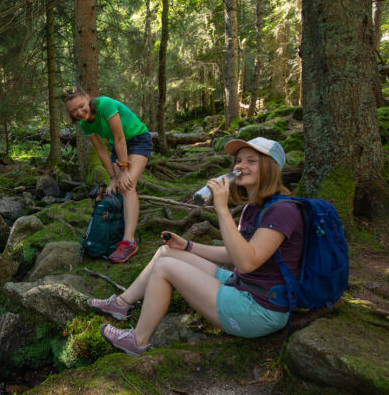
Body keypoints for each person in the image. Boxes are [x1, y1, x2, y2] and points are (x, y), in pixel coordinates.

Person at [88, 137, 303, 355]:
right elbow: (232, 254)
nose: (240, 166)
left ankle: (138, 340)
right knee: (167, 251)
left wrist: (222, 209)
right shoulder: (253, 208)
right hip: (241, 286)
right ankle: (122, 305)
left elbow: (246, 262)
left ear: (270, 167)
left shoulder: (283, 211)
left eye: (251, 161)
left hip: (259, 309)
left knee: (165, 268)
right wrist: (188, 245)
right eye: (238, 160)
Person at [61, 86, 153, 263]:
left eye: (81, 106)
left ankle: (129, 242)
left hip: (137, 140)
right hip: (116, 147)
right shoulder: (83, 123)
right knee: (117, 188)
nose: (80, 112)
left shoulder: (106, 105)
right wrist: (112, 177)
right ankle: (117, 233)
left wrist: (124, 170)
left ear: (88, 98)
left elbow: (119, 137)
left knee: (127, 186)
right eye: (74, 111)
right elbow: (101, 150)